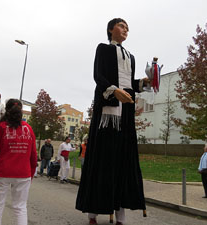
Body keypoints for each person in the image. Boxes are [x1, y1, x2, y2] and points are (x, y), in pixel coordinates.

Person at [76, 18, 149, 225]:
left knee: (123, 160)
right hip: (107, 111)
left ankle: (121, 214)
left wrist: (144, 83)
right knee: (103, 158)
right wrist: (114, 91)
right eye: (121, 26)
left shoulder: (131, 56)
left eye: (127, 27)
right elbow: (98, 76)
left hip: (125, 112)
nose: (125, 30)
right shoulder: (103, 49)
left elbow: (130, 84)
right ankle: (93, 212)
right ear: (111, 29)